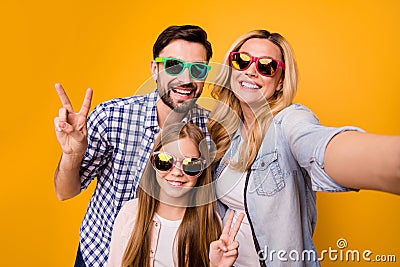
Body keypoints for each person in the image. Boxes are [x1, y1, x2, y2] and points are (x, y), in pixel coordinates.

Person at [207, 29, 400, 266]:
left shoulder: (289, 121)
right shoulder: (224, 134)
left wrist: (390, 161)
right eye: (242, 60)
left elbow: (316, 145)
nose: (251, 70)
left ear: (280, 82)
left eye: (266, 66)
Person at [53, 25, 213, 267]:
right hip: (101, 254)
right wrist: (72, 154)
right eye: (174, 66)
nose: (186, 79)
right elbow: (65, 192)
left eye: (198, 69)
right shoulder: (112, 115)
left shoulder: (212, 130)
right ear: (155, 69)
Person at [107, 122, 244, 267]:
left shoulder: (210, 221)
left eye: (191, 164)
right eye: (165, 161)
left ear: (202, 170)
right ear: (152, 163)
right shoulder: (130, 213)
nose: (177, 172)